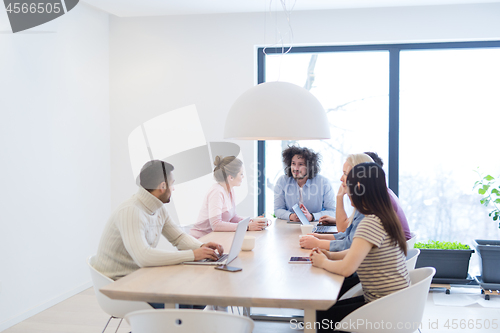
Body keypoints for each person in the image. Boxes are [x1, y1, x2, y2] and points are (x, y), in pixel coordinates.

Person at [93, 160, 224, 292]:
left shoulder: (158, 208)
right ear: (162, 186)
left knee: (194, 288)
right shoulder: (130, 211)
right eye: (172, 184)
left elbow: (178, 237)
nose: (173, 188)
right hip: (118, 287)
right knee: (193, 294)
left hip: (139, 278)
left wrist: (201, 247)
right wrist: (193, 255)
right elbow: (144, 257)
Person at [310, 163, 409, 330]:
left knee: (319, 316)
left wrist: (322, 262)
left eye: (346, 184)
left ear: (357, 188)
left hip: (383, 310)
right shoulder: (384, 216)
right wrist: (330, 255)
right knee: (323, 311)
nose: (345, 190)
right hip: (396, 305)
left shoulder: (369, 222)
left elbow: (346, 269)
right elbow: (359, 251)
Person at [299, 153, 373, 251]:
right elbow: (347, 234)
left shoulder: (367, 211)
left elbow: (349, 245)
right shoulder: (363, 206)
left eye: (345, 174)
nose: (341, 179)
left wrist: (318, 243)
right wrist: (318, 237)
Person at [190, 156, 267, 238]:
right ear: (231, 177)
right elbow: (216, 224)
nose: (243, 176)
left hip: (215, 238)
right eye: (241, 174)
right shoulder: (217, 191)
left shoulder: (230, 190)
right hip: (200, 240)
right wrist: (246, 227)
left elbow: (232, 217)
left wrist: (251, 221)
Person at [274, 146, 335, 222]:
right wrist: (291, 216)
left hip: (315, 226)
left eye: (300, 164)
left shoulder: (324, 183)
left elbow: (332, 211)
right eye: (293, 163)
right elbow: (278, 209)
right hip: (289, 227)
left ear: (309, 167)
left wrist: (312, 216)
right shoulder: (282, 181)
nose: (296, 168)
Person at [364, 151, 412, 240]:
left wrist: (340, 197)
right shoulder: (384, 191)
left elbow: (360, 231)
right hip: (397, 247)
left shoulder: (378, 197)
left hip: (395, 247)